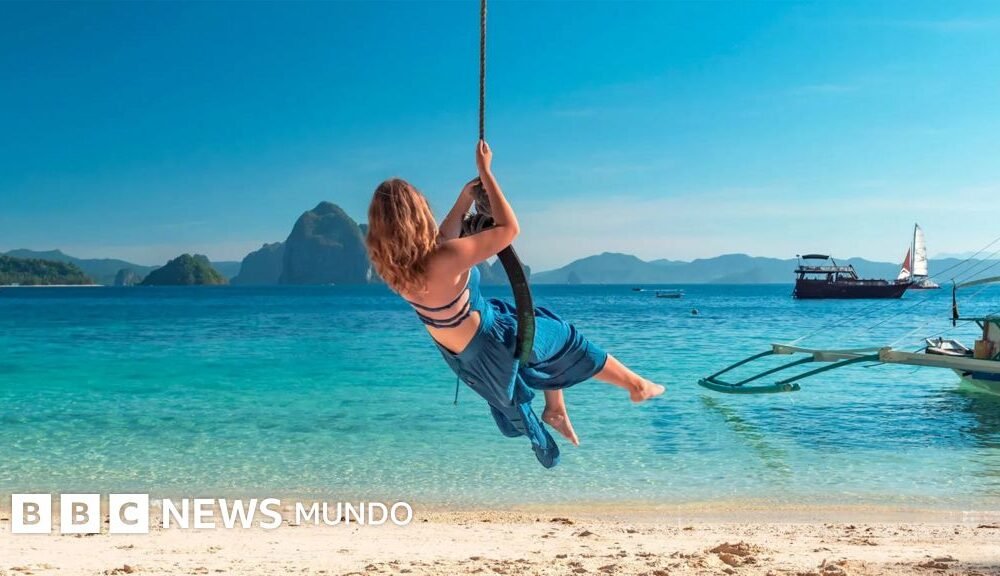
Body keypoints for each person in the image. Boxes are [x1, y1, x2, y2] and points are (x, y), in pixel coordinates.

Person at [365, 140, 664, 463]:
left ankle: (556, 409)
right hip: (494, 342)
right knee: (568, 339)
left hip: (466, 352)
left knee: (540, 319)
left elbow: (445, 236)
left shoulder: (398, 271)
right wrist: (486, 172)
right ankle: (636, 386)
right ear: (418, 215)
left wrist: (466, 198)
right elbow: (509, 229)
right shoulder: (447, 258)